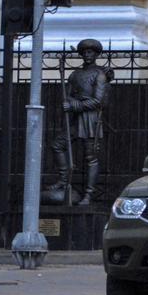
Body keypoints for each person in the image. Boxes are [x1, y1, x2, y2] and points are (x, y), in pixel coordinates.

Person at [45, 39, 111, 206]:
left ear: (96, 54)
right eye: (85, 52)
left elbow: (98, 101)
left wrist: (75, 104)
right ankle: (63, 179)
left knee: (91, 157)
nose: (88, 55)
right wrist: (67, 102)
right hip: (75, 118)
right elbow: (68, 95)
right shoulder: (75, 74)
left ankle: (89, 193)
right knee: (58, 145)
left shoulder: (99, 74)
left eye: (91, 52)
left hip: (90, 119)